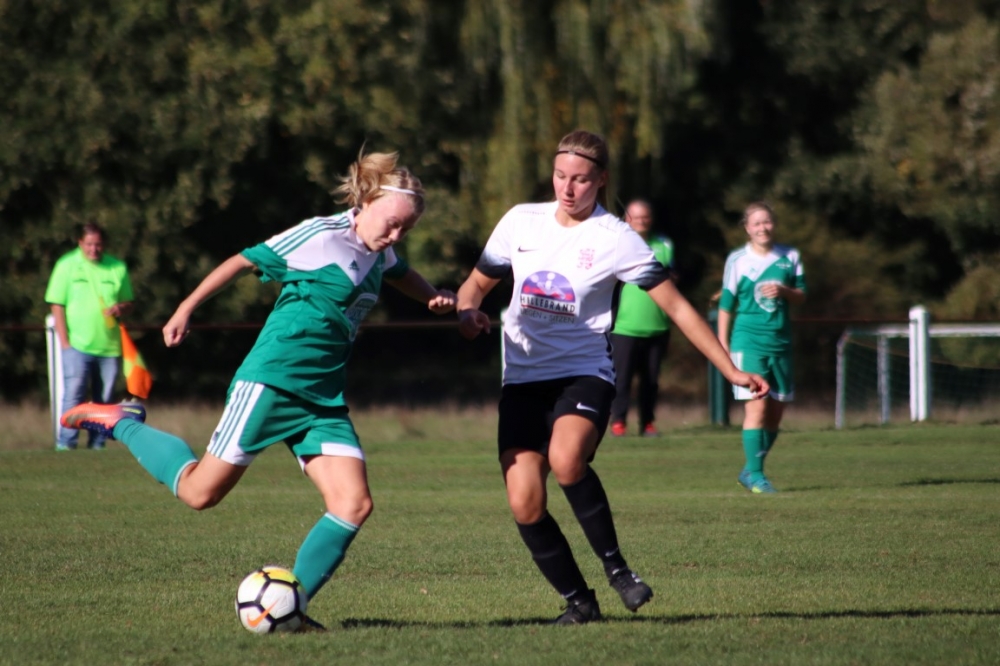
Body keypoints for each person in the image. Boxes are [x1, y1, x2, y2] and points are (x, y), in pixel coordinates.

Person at [60, 151, 456, 630]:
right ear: (366, 201)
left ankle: (290, 609)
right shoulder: (320, 235)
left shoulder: (380, 250)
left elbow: (400, 272)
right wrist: (185, 308)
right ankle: (123, 422)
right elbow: (242, 261)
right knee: (199, 493)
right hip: (272, 383)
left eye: (405, 230)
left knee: (353, 504)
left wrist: (438, 298)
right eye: (392, 224)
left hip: (323, 399)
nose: (395, 236)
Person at [456, 130, 770, 624]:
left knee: (566, 459)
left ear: (601, 180)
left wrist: (730, 368)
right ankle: (579, 602)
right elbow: (474, 286)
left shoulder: (616, 237)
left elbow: (678, 308)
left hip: (584, 373)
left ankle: (619, 570)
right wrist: (467, 313)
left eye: (581, 179)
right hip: (521, 380)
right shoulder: (520, 221)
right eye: (560, 176)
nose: (568, 188)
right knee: (524, 502)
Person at [717, 201, 806, 494]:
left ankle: (750, 470)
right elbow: (726, 305)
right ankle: (756, 476)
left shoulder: (790, 256)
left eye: (767, 222)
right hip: (748, 342)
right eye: (756, 223)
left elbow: (801, 295)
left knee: (776, 413)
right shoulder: (738, 260)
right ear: (747, 228)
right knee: (757, 407)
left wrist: (785, 291)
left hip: (780, 343)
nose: (762, 228)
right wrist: (722, 345)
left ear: (774, 224)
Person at [45, 222, 135, 451]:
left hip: (109, 346)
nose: (93, 249)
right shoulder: (66, 265)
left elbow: (129, 302)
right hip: (76, 345)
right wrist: (65, 343)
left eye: (98, 244)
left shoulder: (117, 267)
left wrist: (120, 308)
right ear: (80, 243)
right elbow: (56, 304)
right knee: (74, 395)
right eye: (89, 244)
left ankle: (98, 444)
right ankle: (66, 443)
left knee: (104, 399)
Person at [609, 199, 675, 437]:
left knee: (651, 380)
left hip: (657, 325)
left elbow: (672, 276)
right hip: (624, 326)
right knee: (621, 379)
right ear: (627, 219)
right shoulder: (617, 245)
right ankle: (618, 422)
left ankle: (648, 423)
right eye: (636, 217)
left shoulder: (664, 244)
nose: (641, 222)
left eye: (645, 217)